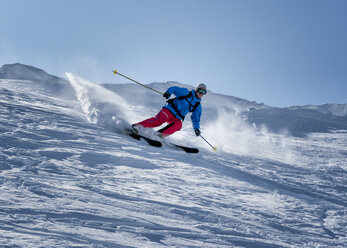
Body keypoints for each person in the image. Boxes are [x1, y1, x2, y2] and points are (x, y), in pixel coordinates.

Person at [132, 83, 207, 137]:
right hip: (169, 110)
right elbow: (174, 88)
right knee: (160, 120)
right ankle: (137, 127)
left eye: (204, 92)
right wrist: (168, 92)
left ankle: (159, 135)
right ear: (197, 89)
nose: (201, 93)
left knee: (178, 125)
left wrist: (196, 129)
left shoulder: (197, 105)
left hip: (177, 117)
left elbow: (196, 118)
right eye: (200, 90)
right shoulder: (186, 93)